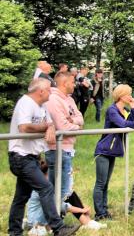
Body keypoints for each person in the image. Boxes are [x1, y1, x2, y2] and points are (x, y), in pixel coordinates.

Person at [7, 78, 80, 236]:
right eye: (49, 90)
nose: (51, 92)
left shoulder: (42, 106)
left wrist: (51, 126)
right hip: (20, 157)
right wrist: (47, 126)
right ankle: (58, 228)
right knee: (46, 188)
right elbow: (24, 127)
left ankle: (14, 231)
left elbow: (50, 123)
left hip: (31, 157)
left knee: (21, 197)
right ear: (40, 91)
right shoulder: (26, 103)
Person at [93, 84, 134, 221]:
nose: (131, 96)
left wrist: (133, 108)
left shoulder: (125, 109)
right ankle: (99, 213)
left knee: (106, 183)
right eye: (129, 94)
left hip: (113, 151)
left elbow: (133, 121)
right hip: (103, 150)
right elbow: (122, 124)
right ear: (121, 95)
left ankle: (104, 210)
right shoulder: (112, 110)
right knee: (100, 183)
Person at [44, 72, 84, 220]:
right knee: (61, 191)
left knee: (60, 190)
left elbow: (80, 118)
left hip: (67, 150)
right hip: (57, 150)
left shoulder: (69, 99)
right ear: (64, 83)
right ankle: (52, 223)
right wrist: (76, 126)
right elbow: (63, 126)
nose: (75, 85)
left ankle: (52, 222)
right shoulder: (53, 99)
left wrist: (73, 121)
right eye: (73, 82)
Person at [26, 161, 106, 234]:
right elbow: (62, 206)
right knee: (66, 196)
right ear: (45, 175)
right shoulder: (42, 188)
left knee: (69, 194)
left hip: (39, 221)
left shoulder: (41, 185)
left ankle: (87, 221)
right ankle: (87, 222)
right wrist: (82, 210)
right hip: (37, 223)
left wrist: (82, 207)